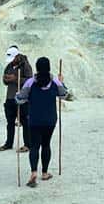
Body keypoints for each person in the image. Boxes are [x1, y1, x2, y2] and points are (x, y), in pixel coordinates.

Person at [16, 57, 68, 188]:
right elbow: (64, 95)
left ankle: (34, 172)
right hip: (50, 120)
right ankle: (44, 173)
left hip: (34, 119)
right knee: (46, 144)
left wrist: (17, 95)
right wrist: (62, 82)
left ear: (37, 67)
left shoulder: (30, 82)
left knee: (34, 146)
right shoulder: (55, 82)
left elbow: (20, 99)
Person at [0, 46, 32, 152]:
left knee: (25, 122)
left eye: (13, 58)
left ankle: (27, 144)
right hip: (10, 97)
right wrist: (6, 79)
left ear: (17, 56)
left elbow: (30, 81)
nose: (11, 61)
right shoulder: (9, 66)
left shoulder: (26, 66)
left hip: (22, 98)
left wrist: (16, 79)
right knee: (10, 122)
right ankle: (8, 144)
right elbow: (5, 81)